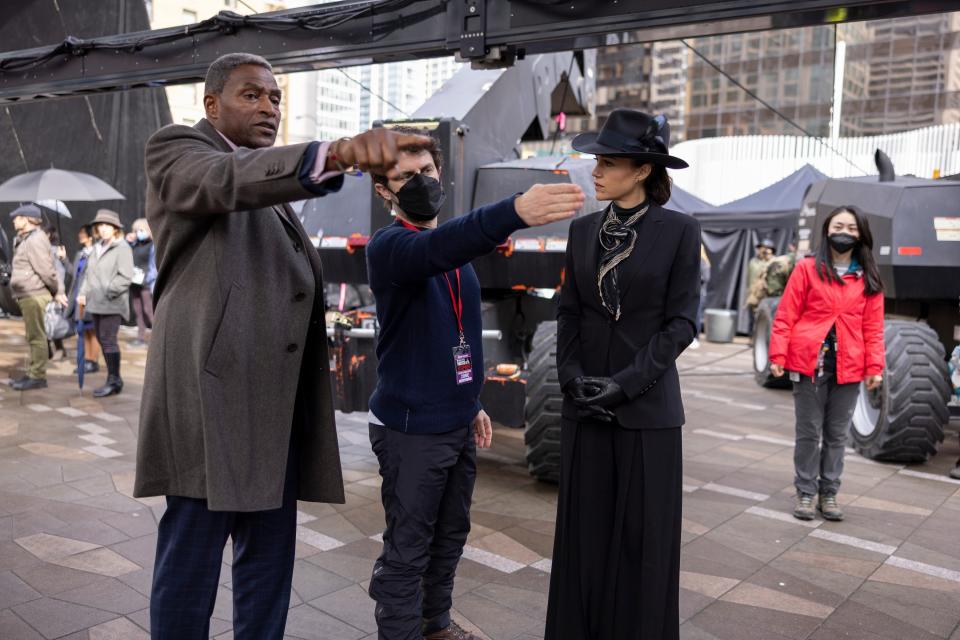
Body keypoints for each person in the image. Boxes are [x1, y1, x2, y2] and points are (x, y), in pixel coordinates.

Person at [132, 52, 432, 639]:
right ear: (212, 103)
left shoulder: (264, 178)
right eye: (253, 95)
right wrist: (337, 152)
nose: (270, 106)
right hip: (212, 411)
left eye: (276, 98)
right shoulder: (180, 151)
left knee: (267, 576)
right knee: (190, 572)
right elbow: (225, 182)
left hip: (273, 415)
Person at [364, 126, 583, 640]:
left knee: (450, 536)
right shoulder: (391, 248)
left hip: (456, 421)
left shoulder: (451, 254)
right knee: (409, 544)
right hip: (412, 430)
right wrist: (512, 213)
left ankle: (435, 626)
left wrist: (472, 401)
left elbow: (455, 332)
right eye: (406, 176)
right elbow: (438, 247)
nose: (421, 182)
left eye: (427, 171)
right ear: (383, 190)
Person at [547, 110, 700, 640]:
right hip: (584, 405)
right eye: (596, 161)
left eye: (608, 163)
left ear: (640, 171)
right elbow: (569, 311)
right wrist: (570, 376)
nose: (596, 171)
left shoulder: (680, 230)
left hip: (647, 409)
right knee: (582, 539)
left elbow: (682, 323)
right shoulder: (582, 229)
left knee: (644, 542)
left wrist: (627, 383)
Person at [769, 206, 884, 522]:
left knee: (837, 435)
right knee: (808, 432)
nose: (844, 231)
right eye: (838, 225)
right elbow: (786, 315)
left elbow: (874, 328)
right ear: (827, 230)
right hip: (809, 364)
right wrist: (778, 355)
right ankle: (806, 493)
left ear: (860, 234)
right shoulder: (806, 269)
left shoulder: (869, 277)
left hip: (849, 366)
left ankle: (829, 493)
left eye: (851, 226)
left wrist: (875, 369)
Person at [8, 203, 67, 390]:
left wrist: (57, 291)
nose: (14, 220)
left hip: (34, 294)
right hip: (27, 293)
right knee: (33, 335)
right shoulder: (25, 238)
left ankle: (38, 376)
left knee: (37, 336)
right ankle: (34, 371)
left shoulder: (35, 239)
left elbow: (47, 270)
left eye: (17, 217)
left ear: (27, 219)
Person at [77, 209, 134, 398]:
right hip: (96, 304)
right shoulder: (97, 247)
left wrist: (107, 291)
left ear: (115, 228)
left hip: (112, 304)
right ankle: (114, 378)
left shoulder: (122, 247)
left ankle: (114, 380)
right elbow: (88, 274)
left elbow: (125, 277)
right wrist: (83, 293)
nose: (103, 229)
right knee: (103, 340)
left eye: (107, 225)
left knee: (108, 341)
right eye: (100, 225)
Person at [67, 225, 102, 373]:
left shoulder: (97, 252)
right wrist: (63, 259)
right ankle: (87, 359)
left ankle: (93, 360)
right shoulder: (80, 254)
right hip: (78, 297)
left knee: (92, 330)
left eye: (83, 233)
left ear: (90, 235)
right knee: (83, 330)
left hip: (91, 296)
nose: (80, 235)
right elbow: (73, 274)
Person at [126, 217, 157, 346]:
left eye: (142, 230)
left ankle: (158, 339)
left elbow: (154, 267)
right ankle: (140, 338)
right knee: (138, 311)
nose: (139, 232)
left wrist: (146, 279)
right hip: (134, 283)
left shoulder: (153, 245)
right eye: (137, 230)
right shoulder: (134, 244)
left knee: (148, 311)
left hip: (145, 284)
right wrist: (128, 241)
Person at [44, 223, 72, 361]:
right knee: (43, 322)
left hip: (54, 293)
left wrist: (57, 291)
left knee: (54, 322)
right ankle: (47, 350)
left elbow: (60, 272)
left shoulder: (55, 250)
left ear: (48, 235)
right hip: (41, 292)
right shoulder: (40, 249)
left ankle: (60, 348)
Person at [692, 244, 711, 349]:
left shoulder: (703, 262)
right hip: (692, 292)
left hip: (699, 293)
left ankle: (696, 337)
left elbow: (706, 277)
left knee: (697, 315)